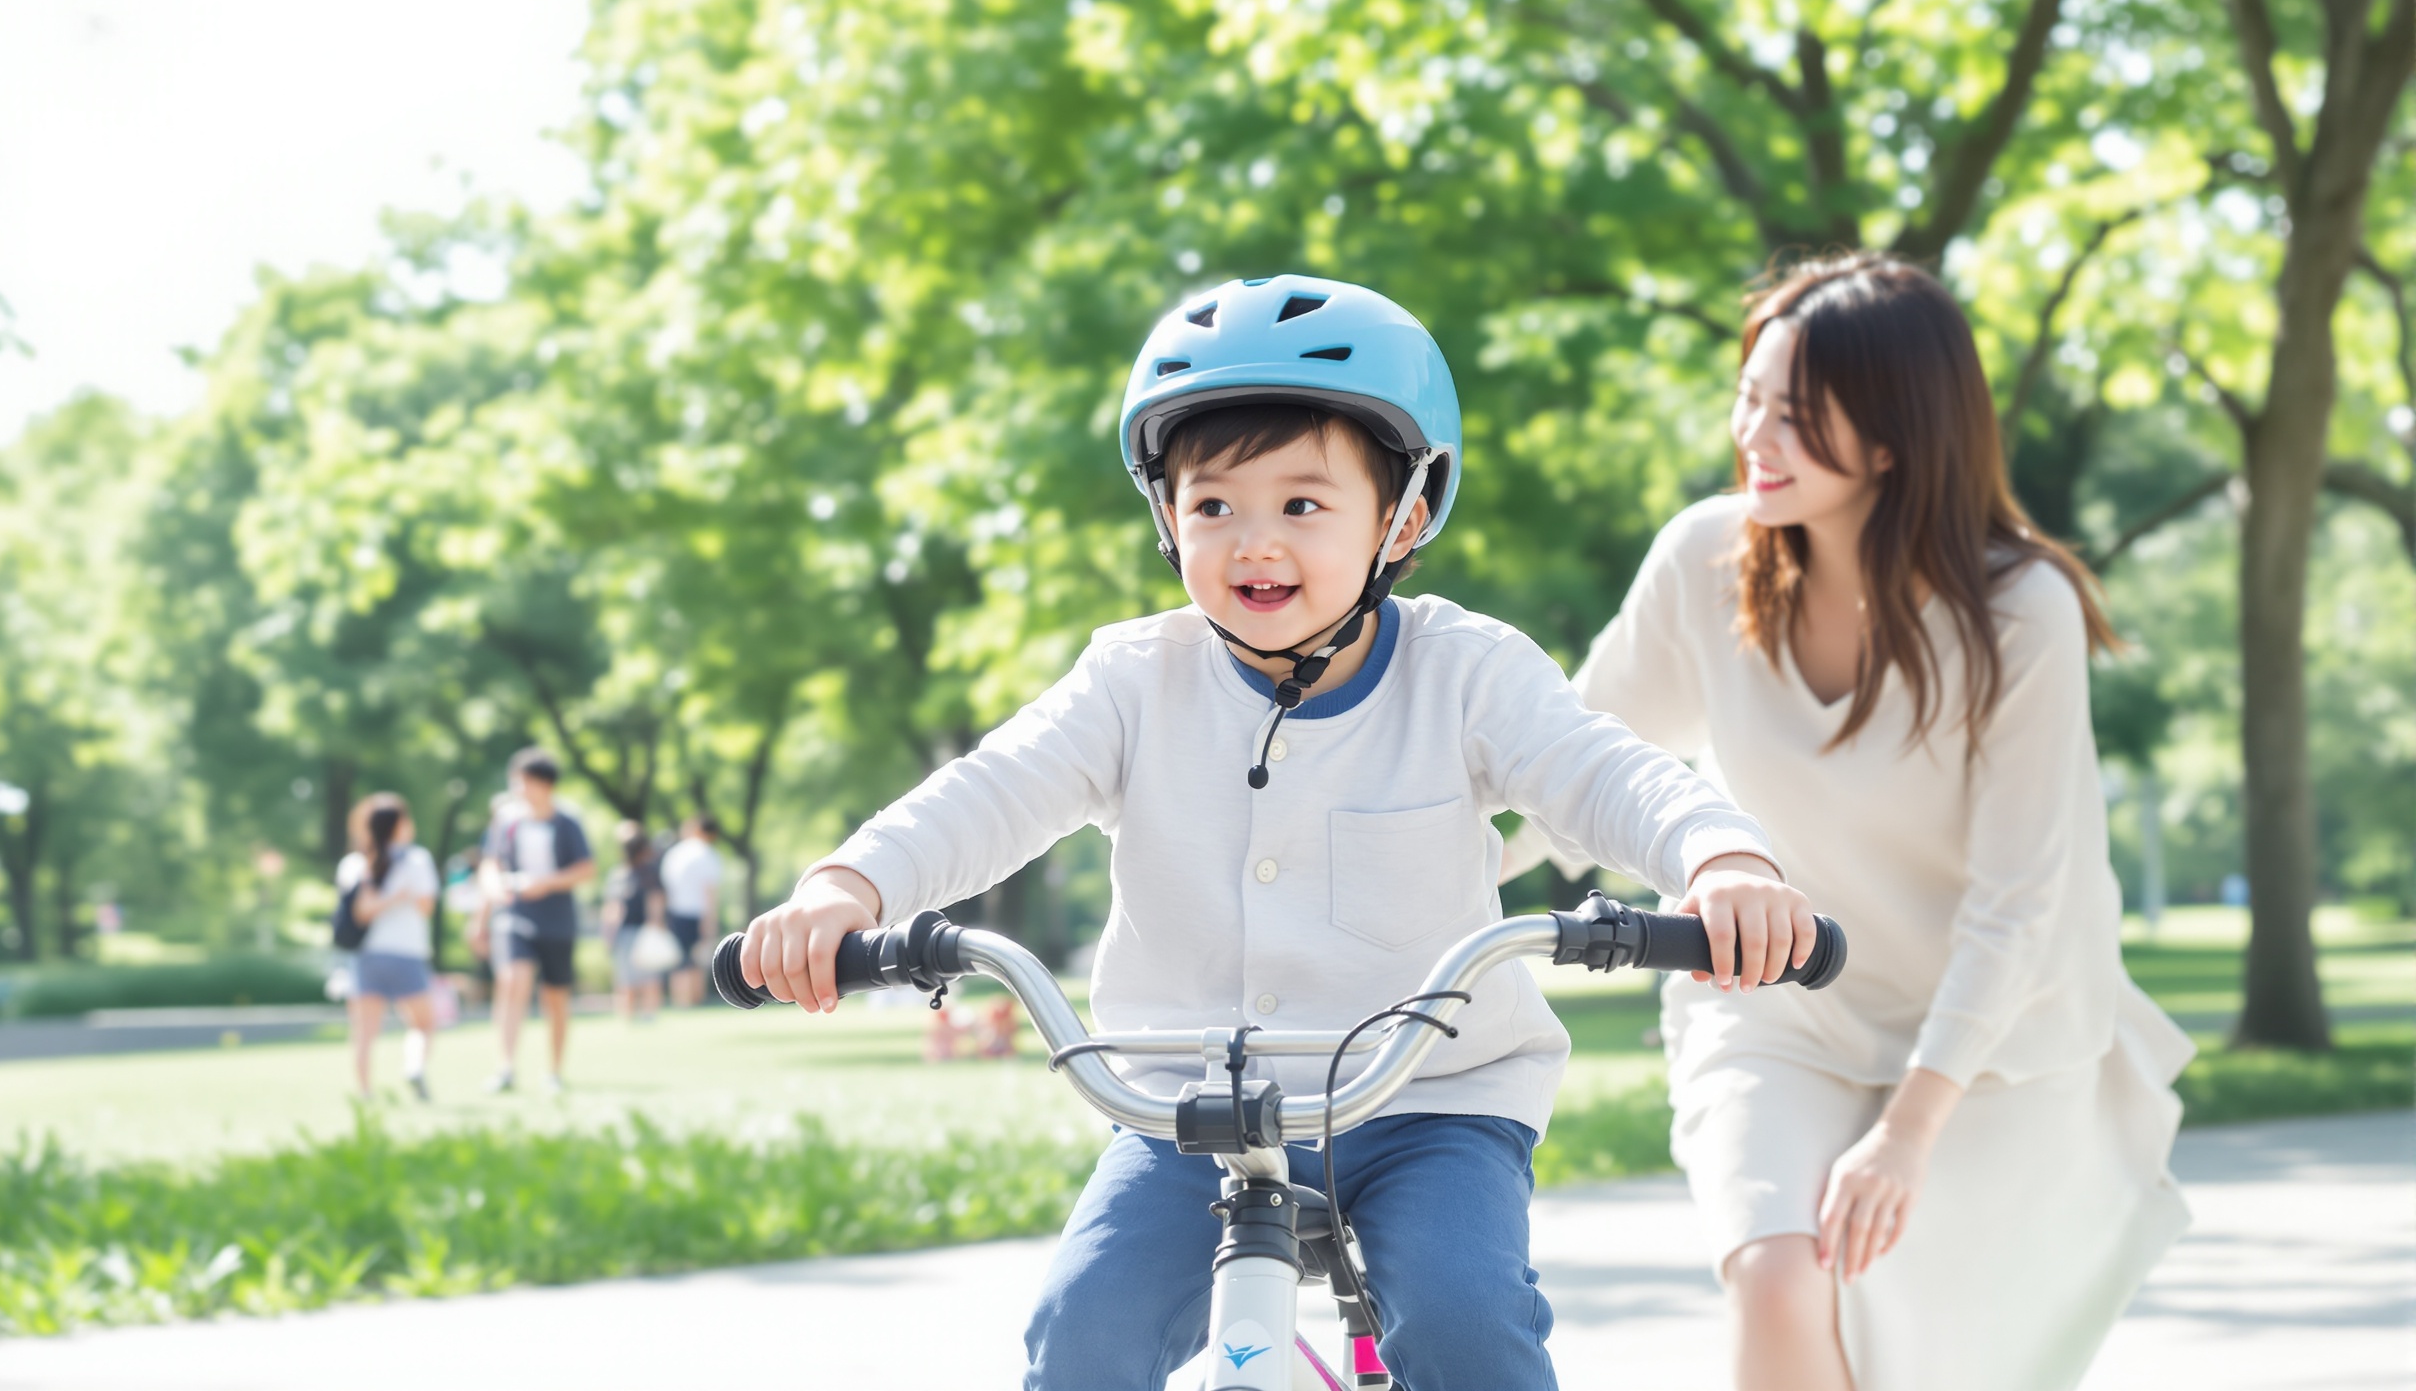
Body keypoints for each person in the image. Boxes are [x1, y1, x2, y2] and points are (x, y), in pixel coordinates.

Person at [738, 275, 1817, 1391]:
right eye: (1213, 505)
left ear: (1401, 517)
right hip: (1184, 1113)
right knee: (1081, 1332)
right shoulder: (1132, 680)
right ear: (1168, 518)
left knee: (1468, 1325)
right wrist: (847, 886)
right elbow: (988, 789)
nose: (1254, 541)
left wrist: (1719, 855)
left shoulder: (1468, 673)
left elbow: (1609, 772)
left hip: (1428, 1104)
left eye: (1303, 504)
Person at [1569, 254, 2191, 1390]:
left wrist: (1908, 1129)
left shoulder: (2019, 612)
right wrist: (1416, 864)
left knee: (1919, 1360)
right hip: (1776, 1006)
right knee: (1776, 1273)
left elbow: (2020, 901)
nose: (1754, 433)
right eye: (1750, 397)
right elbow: (1571, 760)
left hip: (1988, 1051)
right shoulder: (1704, 559)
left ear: (1894, 440)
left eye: (1797, 417)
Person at [471, 748, 595, 1094]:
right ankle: (506, 1067)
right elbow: (489, 865)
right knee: (513, 980)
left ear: (546, 784)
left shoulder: (567, 821)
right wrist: (483, 912)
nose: (520, 787)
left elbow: (587, 868)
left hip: (556, 919)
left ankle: (553, 1071)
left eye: (527, 781)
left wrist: (547, 883)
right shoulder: (506, 820)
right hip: (513, 914)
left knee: (555, 996)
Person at [336, 791, 440, 1100]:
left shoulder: (354, 864)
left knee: (365, 1031)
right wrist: (399, 897)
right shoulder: (416, 860)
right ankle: (414, 1066)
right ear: (400, 825)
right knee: (422, 1023)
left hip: (368, 957)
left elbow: (361, 912)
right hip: (407, 952)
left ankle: (365, 1091)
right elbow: (426, 907)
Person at [602, 821, 667, 1022]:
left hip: (639, 931)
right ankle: (634, 1016)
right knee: (632, 978)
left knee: (642, 978)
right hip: (630, 931)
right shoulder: (622, 874)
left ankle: (642, 1016)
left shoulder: (644, 873)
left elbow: (654, 901)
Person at [659, 813, 724, 1008]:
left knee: (679, 960)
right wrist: (711, 921)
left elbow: (665, 886)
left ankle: (681, 1001)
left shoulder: (675, 853)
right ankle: (695, 1000)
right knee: (697, 960)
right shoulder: (708, 854)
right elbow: (709, 892)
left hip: (675, 911)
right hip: (698, 912)